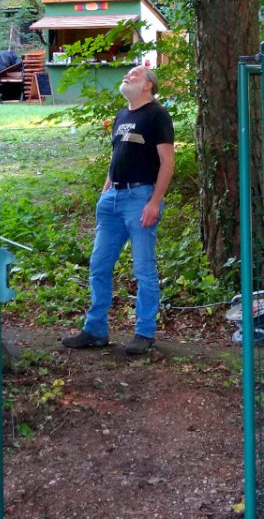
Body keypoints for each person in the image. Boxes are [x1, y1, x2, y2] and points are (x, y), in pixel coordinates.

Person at [63, 65, 174, 356]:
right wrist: (106, 191)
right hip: (112, 199)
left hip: (141, 198)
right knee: (99, 265)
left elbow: (167, 162)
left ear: (149, 85)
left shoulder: (157, 115)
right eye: (127, 74)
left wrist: (154, 201)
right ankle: (96, 330)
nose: (127, 76)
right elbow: (117, 156)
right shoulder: (122, 116)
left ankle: (144, 332)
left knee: (143, 269)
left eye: (134, 74)